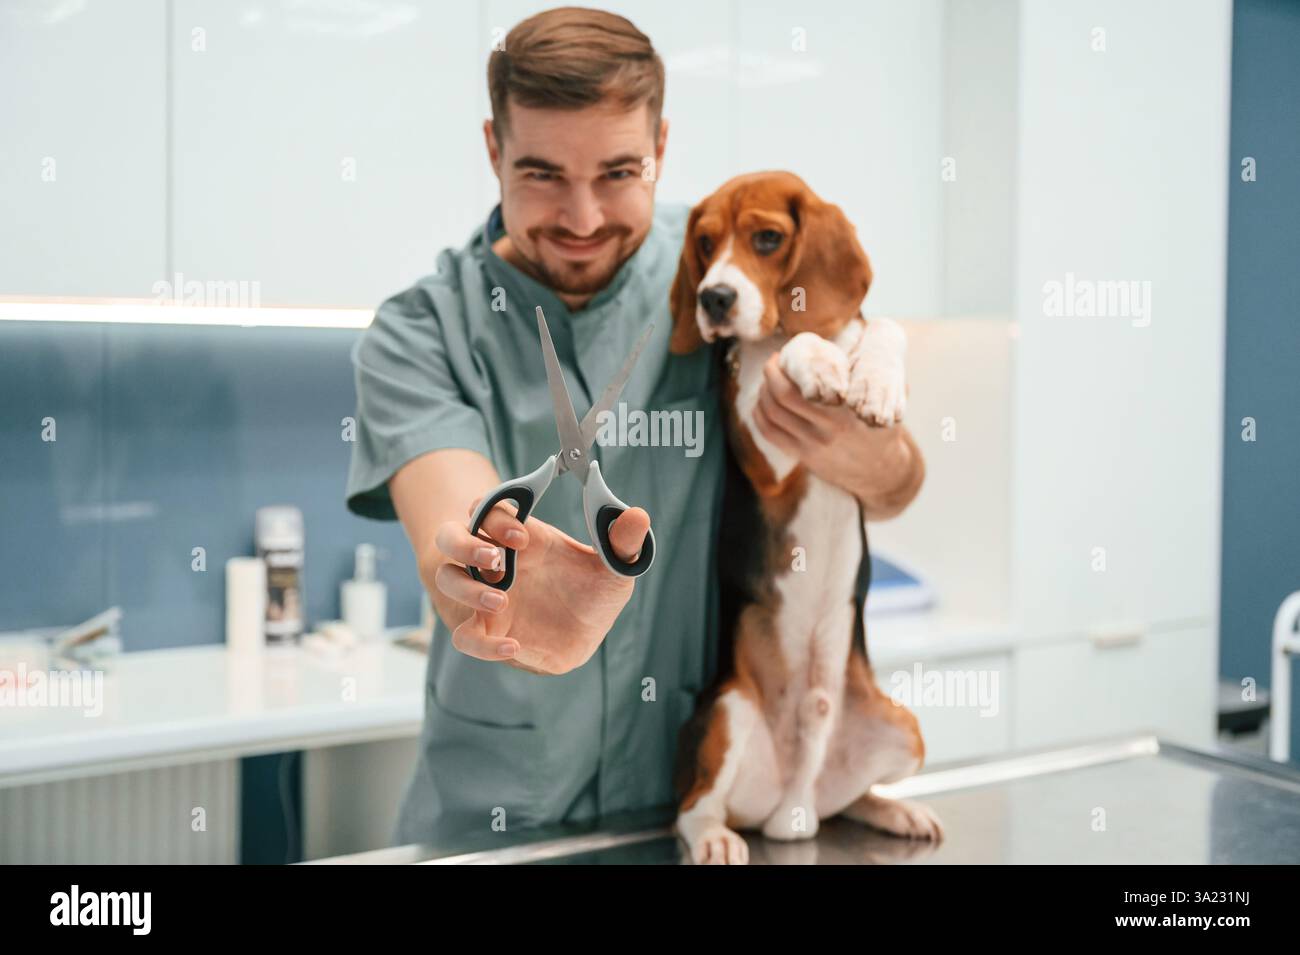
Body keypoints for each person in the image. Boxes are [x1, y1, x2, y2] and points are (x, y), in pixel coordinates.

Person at [343, 6, 925, 847]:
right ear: (492, 149)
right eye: (541, 174)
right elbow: (452, 525)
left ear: (661, 145)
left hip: (695, 807)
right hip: (503, 820)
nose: (581, 218)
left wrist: (866, 447)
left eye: (619, 173)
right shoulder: (418, 333)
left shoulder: (715, 272)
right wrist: (489, 574)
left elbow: (900, 482)